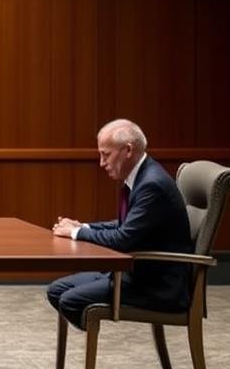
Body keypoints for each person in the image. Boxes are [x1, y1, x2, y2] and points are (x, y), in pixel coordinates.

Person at [47, 119, 192, 329]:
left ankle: (95, 354)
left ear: (128, 150)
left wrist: (75, 233)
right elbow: (126, 225)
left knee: (71, 300)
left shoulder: (152, 185)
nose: (101, 163)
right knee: (56, 290)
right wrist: (85, 226)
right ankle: (91, 342)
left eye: (106, 154)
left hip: (157, 286)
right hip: (138, 273)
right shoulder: (142, 176)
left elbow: (123, 240)